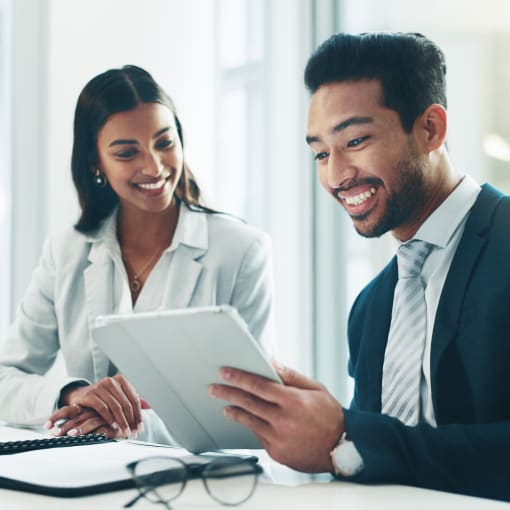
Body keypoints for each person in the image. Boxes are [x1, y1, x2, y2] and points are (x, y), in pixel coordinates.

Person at [208, 32, 510, 502]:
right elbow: (387, 464)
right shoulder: (372, 307)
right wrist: (327, 429)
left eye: (355, 140)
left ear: (430, 129)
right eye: (321, 153)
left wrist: (347, 439)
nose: (335, 175)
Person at [0, 65, 275, 444]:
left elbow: (253, 408)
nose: (154, 166)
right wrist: (73, 394)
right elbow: (5, 379)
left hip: (200, 482)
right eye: (127, 152)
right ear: (95, 162)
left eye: (164, 142)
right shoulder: (66, 251)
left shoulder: (241, 250)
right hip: (92, 474)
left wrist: (126, 424)